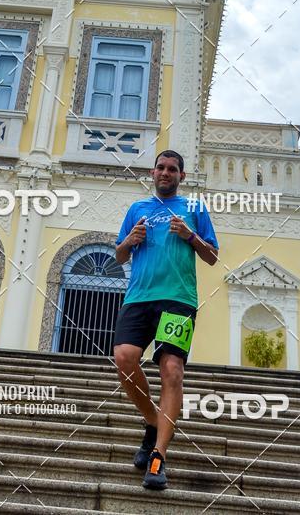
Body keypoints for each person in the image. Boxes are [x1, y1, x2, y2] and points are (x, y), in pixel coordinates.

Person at [113, 150, 219, 491]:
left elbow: (213, 256)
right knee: (124, 358)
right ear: (152, 172)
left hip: (179, 299)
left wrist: (190, 235)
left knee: (172, 370)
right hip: (139, 296)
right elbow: (119, 254)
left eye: (172, 169)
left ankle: (158, 456)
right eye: (161, 167)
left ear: (181, 176)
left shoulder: (195, 209)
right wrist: (129, 242)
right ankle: (152, 420)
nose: (165, 172)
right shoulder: (137, 209)